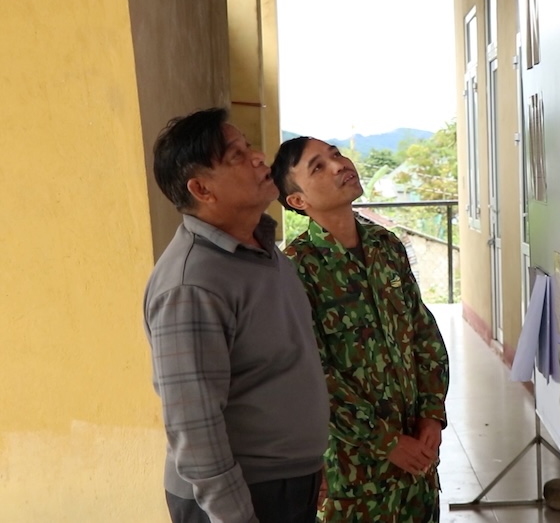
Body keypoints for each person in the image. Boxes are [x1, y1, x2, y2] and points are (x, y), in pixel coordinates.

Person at [143, 108, 329, 523]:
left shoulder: (262, 249)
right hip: (236, 496)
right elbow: (194, 425)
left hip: (285, 479)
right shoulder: (192, 284)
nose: (259, 157)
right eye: (237, 156)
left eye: (249, 147)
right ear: (202, 189)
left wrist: (308, 462)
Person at [271, 137, 451, 522]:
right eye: (317, 167)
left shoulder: (387, 246)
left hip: (416, 468)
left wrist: (431, 415)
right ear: (298, 201)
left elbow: (423, 332)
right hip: (354, 480)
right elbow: (312, 376)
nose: (339, 165)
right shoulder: (297, 269)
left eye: (335, 154)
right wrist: (386, 442)